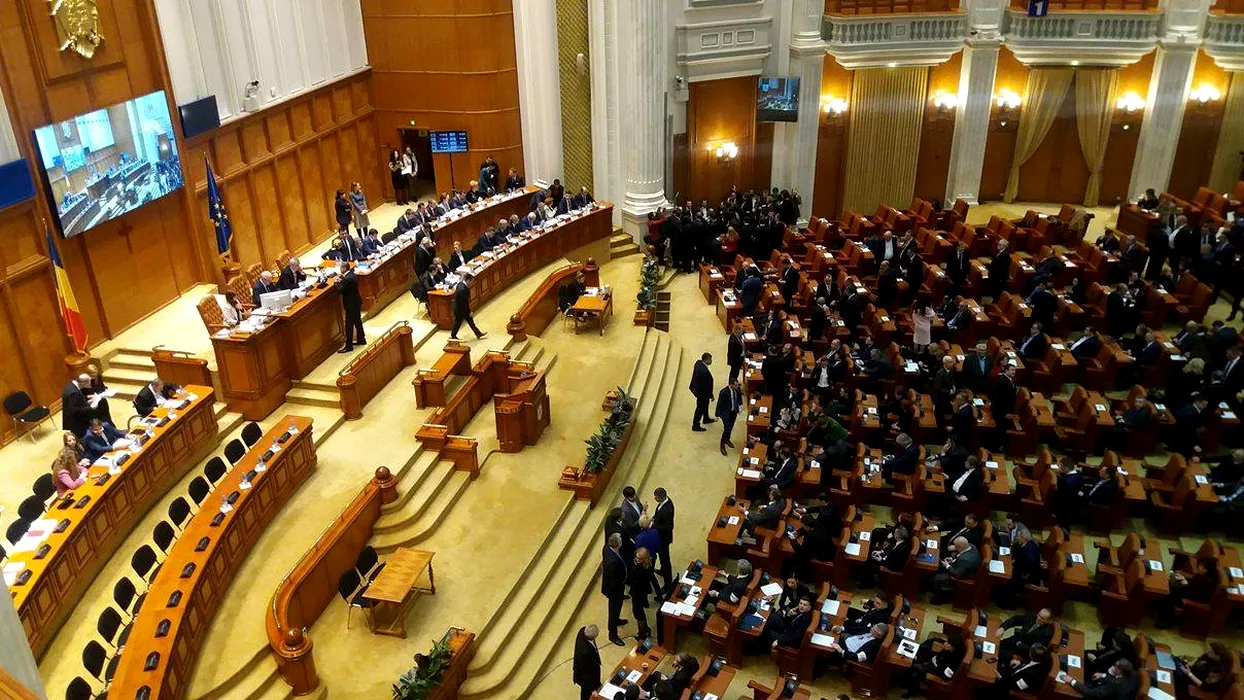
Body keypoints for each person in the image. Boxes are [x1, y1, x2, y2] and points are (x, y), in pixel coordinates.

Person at [930, 536, 981, 604]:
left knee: (937, 577)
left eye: (955, 546)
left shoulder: (965, 560)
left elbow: (958, 574)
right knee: (939, 563)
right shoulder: (971, 546)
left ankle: (939, 598)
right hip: (961, 567)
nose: (954, 547)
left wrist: (947, 566)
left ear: (960, 547)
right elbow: (960, 554)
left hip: (963, 575)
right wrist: (952, 560)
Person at [1060, 658, 1139, 699]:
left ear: (1120, 670)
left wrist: (1071, 681)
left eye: (1115, 665)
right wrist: (1103, 675)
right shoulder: (1134, 673)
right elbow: (1115, 680)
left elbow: (1090, 693)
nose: (1113, 666)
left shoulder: (1114, 685)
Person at [601, 533, 628, 645]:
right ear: (617, 544)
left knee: (618, 606)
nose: (622, 541)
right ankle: (612, 634)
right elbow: (613, 581)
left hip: (618, 586)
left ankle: (616, 620)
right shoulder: (613, 562)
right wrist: (617, 590)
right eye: (620, 540)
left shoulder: (607, 547)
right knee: (613, 610)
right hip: (614, 590)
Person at [823, 622, 888, 666]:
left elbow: (858, 657)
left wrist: (841, 651)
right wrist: (842, 628)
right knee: (831, 630)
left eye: (874, 630)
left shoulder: (874, 646)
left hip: (847, 651)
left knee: (827, 642)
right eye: (873, 627)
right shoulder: (871, 631)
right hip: (846, 639)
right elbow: (857, 630)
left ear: (879, 635)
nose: (871, 629)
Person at [628, 547, 658, 640]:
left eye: (638, 558)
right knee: (640, 612)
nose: (636, 559)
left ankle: (642, 634)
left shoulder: (638, 569)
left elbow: (630, 580)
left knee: (638, 614)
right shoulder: (649, 564)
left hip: (638, 593)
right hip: (644, 590)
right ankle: (645, 629)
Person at [336, 264, 366, 352]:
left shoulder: (347, 279)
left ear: (344, 268)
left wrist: (336, 282)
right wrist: (341, 280)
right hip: (356, 302)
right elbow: (346, 285)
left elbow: (340, 290)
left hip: (351, 305)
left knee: (349, 325)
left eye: (340, 267)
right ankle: (361, 339)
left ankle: (349, 346)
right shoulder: (352, 275)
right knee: (357, 321)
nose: (340, 269)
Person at [450, 273, 486, 340]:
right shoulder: (462, 289)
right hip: (459, 309)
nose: (472, 283)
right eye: (472, 281)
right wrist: (469, 312)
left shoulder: (460, 284)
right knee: (458, 323)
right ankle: (453, 336)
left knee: (470, 321)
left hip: (460, 307)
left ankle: (478, 334)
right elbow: (464, 303)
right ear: (468, 280)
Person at [651, 487, 675, 586]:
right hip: (660, 537)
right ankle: (662, 570)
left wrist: (653, 525)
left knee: (665, 560)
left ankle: (668, 583)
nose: (655, 498)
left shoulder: (667, 510)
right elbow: (657, 514)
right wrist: (653, 518)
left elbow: (668, 527)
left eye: (656, 497)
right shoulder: (664, 502)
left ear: (661, 497)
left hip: (664, 539)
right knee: (662, 558)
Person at [572, 625, 601, 700]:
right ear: (593, 637)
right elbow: (585, 674)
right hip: (585, 676)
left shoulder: (582, 631)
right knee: (585, 693)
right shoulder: (585, 652)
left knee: (597, 685)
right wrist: (592, 689)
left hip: (591, 667)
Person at [716, 379, 743, 455]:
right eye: (736, 385)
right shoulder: (723, 392)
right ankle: (722, 445)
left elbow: (739, 398)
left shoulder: (736, 390)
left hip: (733, 412)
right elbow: (719, 403)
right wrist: (718, 414)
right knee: (727, 429)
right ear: (731, 385)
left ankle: (727, 439)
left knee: (731, 427)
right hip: (726, 413)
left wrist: (740, 406)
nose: (737, 386)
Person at [689, 352, 714, 431]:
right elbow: (706, 386)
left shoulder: (698, 363)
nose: (711, 361)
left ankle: (706, 418)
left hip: (698, 389)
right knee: (700, 408)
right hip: (702, 393)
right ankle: (695, 425)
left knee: (705, 405)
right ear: (706, 360)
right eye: (710, 359)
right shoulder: (704, 372)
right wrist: (711, 395)